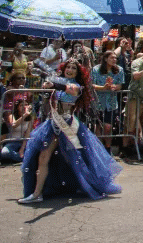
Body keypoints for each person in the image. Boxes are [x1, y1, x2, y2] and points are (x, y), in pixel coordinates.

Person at [18, 58, 121, 204]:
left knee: (75, 160)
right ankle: (37, 193)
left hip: (68, 126)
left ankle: (89, 185)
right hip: (52, 125)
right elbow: (49, 85)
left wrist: (53, 84)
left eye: (74, 68)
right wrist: (43, 78)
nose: (70, 70)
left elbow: (69, 90)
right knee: (43, 157)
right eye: (68, 67)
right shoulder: (58, 81)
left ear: (78, 72)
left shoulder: (77, 86)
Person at [92, 50, 124, 151]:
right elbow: (92, 85)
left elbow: (120, 84)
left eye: (115, 58)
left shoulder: (119, 70)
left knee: (108, 127)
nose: (114, 60)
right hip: (98, 102)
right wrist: (103, 88)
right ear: (105, 59)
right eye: (112, 58)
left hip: (111, 103)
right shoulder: (96, 69)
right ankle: (99, 149)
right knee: (98, 126)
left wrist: (115, 87)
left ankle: (108, 147)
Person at [1, 98, 34, 162]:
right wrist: (25, 114)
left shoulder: (30, 118)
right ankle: (22, 158)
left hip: (21, 142)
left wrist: (22, 148)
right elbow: (14, 125)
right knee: (4, 153)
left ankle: (18, 157)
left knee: (34, 151)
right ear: (17, 107)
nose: (24, 107)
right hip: (11, 142)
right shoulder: (11, 115)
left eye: (26, 105)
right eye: (22, 105)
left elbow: (27, 134)